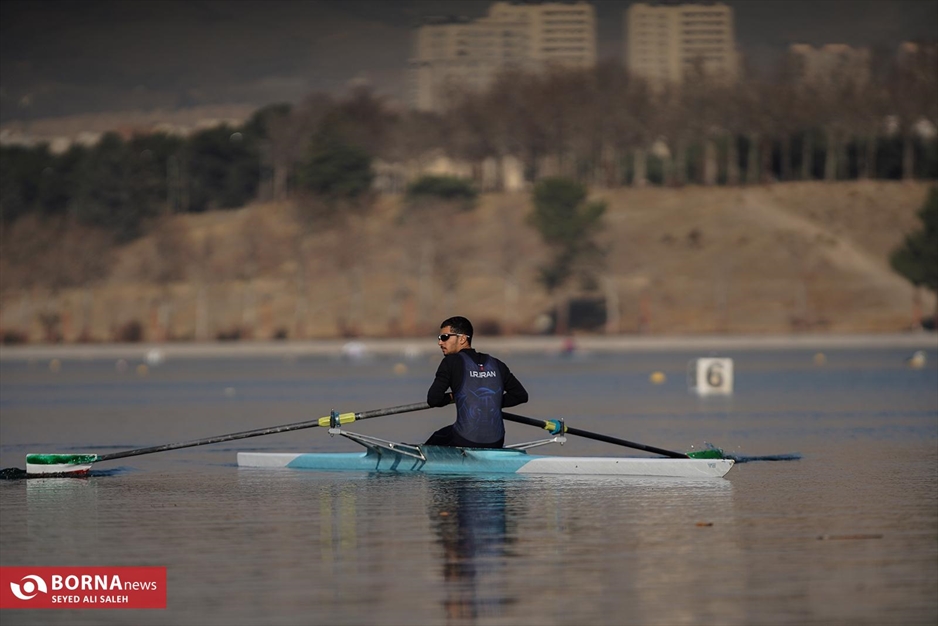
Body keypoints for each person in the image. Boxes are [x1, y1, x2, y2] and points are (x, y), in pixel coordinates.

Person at [425, 316, 528, 448]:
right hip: (496, 442)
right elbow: (520, 396)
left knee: (436, 438)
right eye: (439, 338)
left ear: (462, 339)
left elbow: (434, 399)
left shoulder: (450, 362)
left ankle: (420, 458)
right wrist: (490, 402)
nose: (440, 342)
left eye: (445, 337)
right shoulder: (497, 364)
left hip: (463, 439)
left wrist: (454, 397)